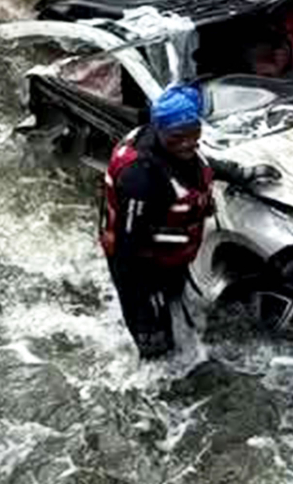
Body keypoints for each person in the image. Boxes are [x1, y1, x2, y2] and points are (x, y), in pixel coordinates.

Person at [98, 85, 281, 358]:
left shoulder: (178, 148)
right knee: (157, 344)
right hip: (141, 263)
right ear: (159, 130)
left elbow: (202, 162)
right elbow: (127, 251)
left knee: (175, 304)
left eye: (193, 134)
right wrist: (142, 309)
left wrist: (242, 173)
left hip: (171, 254)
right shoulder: (141, 177)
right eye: (176, 138)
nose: (186, 143)